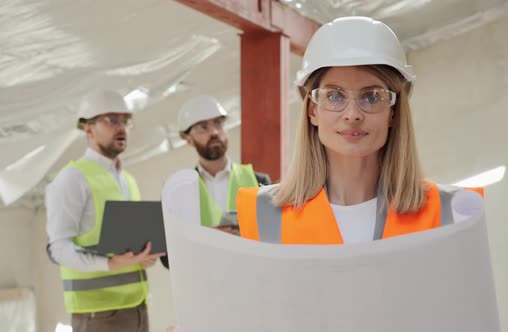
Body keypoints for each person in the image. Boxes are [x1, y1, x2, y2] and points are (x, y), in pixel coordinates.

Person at [236, 16, 483, 244]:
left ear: (394, 113)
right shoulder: (261, 213)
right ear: (313, 110)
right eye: (334, 95)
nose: (352, 114)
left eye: (372, 97)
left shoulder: (453, 210)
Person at [45, 90, 164, 332]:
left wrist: (143, 257)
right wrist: (109, 263)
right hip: (98, 316)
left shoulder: (127, 180)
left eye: (125, 120)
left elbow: (126, 244)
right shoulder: (72, 178)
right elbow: (58, 248)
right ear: (88, 128)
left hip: (137, 308)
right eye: (111, 120)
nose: (121, 127)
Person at [160, 95, 271, 268]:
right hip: (203, 287)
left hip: (251, 284)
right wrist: (203, 239)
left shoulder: (259, 181)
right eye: (203, 127)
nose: (214, 132)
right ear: (188, 139)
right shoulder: (178, 191)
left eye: (218, 124)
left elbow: (275, 240)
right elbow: (167, 258)